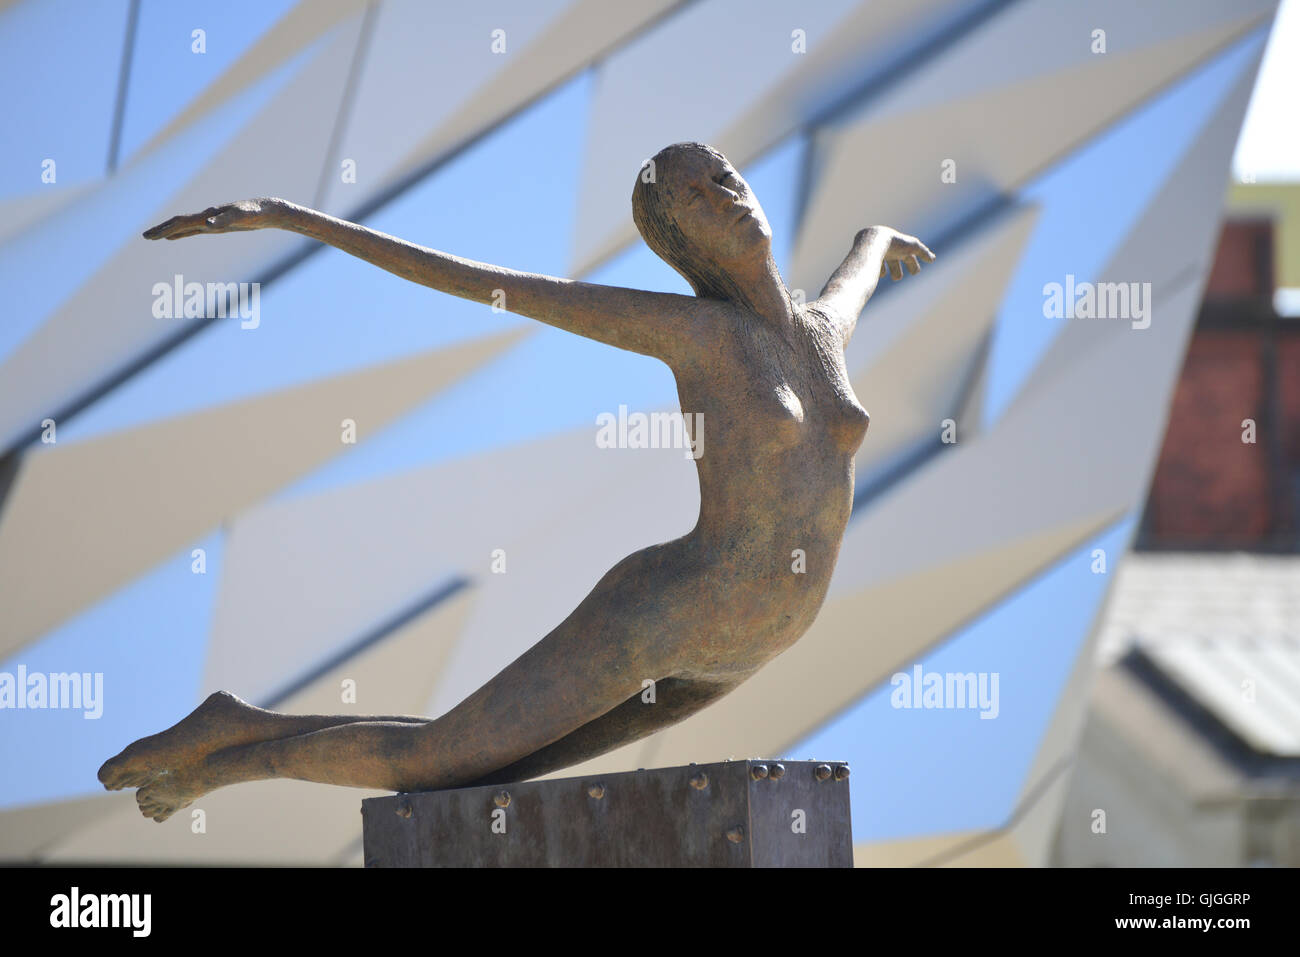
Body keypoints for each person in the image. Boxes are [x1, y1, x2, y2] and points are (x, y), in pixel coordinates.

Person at [99, 142, 934, 821]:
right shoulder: (697, 333)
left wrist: (882, 237)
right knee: (430, 763)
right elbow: (490, 286)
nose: (726, 194)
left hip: (738, 651)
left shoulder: (822, 331)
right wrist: (294, 219)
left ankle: (238, 727)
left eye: (726, 177)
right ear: (681, 243)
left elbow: (862, 255)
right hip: (664, 617)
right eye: (697, 198)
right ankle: (230, 762)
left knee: (465, 764)